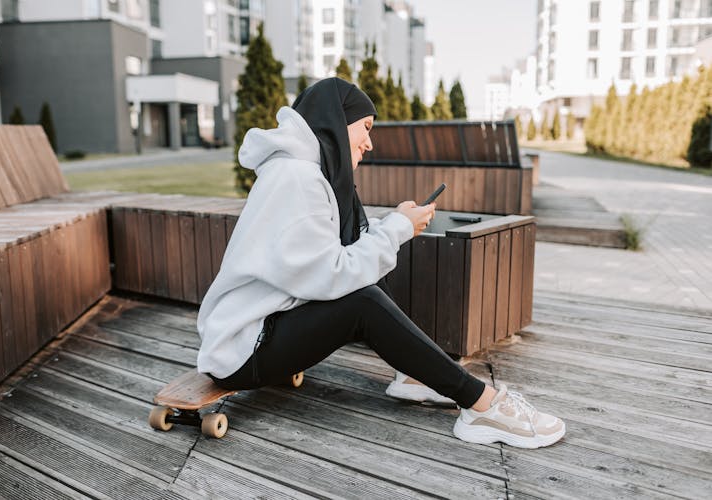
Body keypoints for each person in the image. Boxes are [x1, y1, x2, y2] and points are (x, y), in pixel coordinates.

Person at [197, 78, 565, 449]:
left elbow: (339, 258)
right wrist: (398, 228)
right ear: (337, 123)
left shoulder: (305, 173)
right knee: (362, 302)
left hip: (262, 329)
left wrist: (394, 224)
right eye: (366, 128)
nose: (370, 142)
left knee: (365, 285)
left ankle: (413, 375)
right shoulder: (296, 178)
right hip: (243, 351)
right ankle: (483, 405)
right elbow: (331, 275)